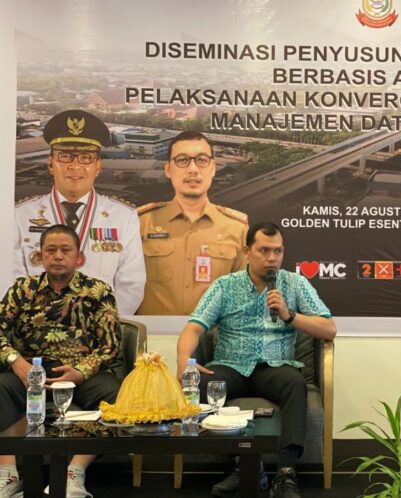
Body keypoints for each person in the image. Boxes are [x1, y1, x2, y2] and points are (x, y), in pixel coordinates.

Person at [176, 222, 336, 498]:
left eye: (278, 251)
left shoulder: (295, 284)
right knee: (201, 384)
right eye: (264, 251)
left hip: (274, 367)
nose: (272, 258)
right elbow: (194, 327)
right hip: (231, 365)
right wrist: (183, 361)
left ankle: (286, 473)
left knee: (295, 383)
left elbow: (329, 329)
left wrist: (289, 316)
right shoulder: (225, 286)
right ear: (247, 252)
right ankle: (245, 467)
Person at [0, 224, 122, 498]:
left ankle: (73, 474)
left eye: (65, 250)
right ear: (40, 256)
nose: (58, 256)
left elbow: (110, 346)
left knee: (117, 397)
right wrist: (15, 361)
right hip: (30, 372)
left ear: (79, 257)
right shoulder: (22, 289)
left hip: (80, 374)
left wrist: (81, 372)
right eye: (50, 250)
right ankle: (7, 475)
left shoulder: (97, 291)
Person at [14, 109, 146, 315]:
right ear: (51, 164)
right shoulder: (20, 215)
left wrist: (101, 324)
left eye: (86, 157)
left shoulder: (123, 217)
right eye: (65, 156)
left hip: (101, 328)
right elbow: (12, 279)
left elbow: (131, 285)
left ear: (98, 166)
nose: (75, 166)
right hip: (36, 328)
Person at [137, 131, 248, 315]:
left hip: (213, 333)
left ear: (213, 168)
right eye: (182, 160)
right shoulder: (141, 223)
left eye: (202, 160)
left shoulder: (237, 227)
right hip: (154, 332)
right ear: (167, 169)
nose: (193, 169)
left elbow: (244, 296)